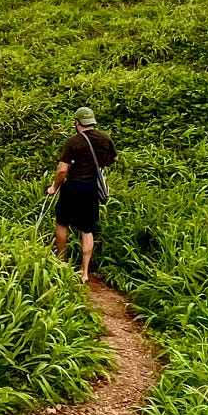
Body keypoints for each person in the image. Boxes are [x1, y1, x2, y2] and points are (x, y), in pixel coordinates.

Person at [45, 106, 116, 283]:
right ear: (92, 122)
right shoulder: (105, 138)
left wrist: (54, 187)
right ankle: (84, 272)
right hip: (91, 190)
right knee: (87, 229)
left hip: (72, 188)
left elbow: (62, 170)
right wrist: (99, 164)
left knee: (62, 223)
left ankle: (60, 261)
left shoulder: (73, 142)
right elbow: (114, 159)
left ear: (77, 123)